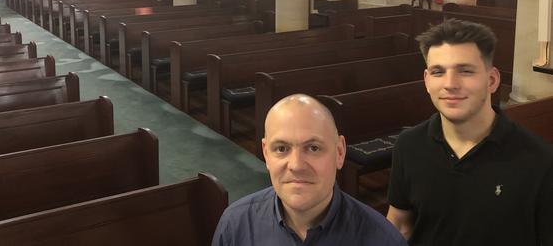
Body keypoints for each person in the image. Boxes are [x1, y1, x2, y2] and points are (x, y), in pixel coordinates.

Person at [386, 18, 553, 245]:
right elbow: (399, 224)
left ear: (492, 80)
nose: (450, 84)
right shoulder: (409, 145)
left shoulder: (540, 160)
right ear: (426, 81)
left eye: (465, 71)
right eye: (438, 72)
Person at [212, 94, 407, 246]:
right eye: (281, 149)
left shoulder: (383, 239)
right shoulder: (235, 225)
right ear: (266, 154)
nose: (296, 165)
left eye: (313, 148)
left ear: (339, 152)